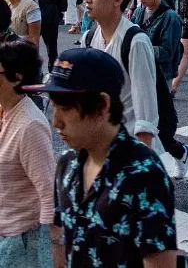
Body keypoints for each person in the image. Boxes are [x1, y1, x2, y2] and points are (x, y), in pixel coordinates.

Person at [29, 48, 178, 268]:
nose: (56, 121)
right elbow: (60, 233)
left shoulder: (143, 174)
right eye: (54, 106)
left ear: (103, 105)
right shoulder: (67, 163)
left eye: (65, 108)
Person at [83, 0, 159, 149]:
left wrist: (142, 162)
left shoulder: (135, 42)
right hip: (100, 142)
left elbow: (146, 110)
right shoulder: (89, 37)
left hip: (129, 146)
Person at [132, 0, 188, 179]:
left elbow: (168, 52)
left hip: (161, 74)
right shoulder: (139, 10)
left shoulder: (171, 17)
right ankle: (178, 153)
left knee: (157, 124)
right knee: (144, 121)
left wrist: (140, 46)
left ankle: (178, 153)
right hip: (140, 70)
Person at [0, 40, 55, 266]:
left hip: (20, 240)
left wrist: (47, 250)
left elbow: (49, 192)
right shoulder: (5, 112)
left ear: (17, 77)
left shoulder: (29, 125)